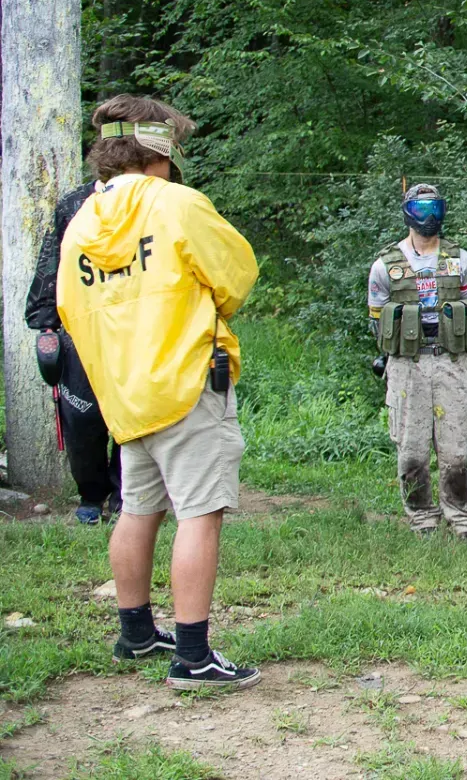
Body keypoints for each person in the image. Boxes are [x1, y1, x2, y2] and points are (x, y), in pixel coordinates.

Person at [59, 95, 260, 690]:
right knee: (201, 511)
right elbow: (236, 275)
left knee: (138, 507)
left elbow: (70, 307)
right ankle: (194, 656)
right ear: (160, 150)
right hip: (185, 383)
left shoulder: (82, 222)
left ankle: (137, 633)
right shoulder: (177, 204)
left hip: (125, 393)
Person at [368, 184, 467, 539]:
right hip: (407, 365)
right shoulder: (385, 266)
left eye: (435, 209)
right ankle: (422, 520)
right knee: (412, 452)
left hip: (452, 361)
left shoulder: (461, 260)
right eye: (421, 210)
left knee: (456, 451)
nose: (428, 217)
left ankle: (461, 521)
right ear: (408, 214)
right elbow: (377, 321)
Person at [26, 177, 119, 525]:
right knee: (82, 417)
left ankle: (126, 496)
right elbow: (53, 261)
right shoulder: (74, 203)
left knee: (136, 416)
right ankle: (91, 494)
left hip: (137, 325)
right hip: (80, 327)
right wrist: (46, 322)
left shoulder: (157, 201)